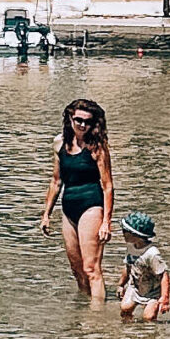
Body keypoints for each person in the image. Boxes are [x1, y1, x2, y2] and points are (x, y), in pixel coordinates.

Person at [33, 98, 114, 300]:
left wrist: (106, 222)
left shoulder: (98, 147)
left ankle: (96, 320)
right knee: (77, 269)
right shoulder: (60, 143)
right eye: (78, 120)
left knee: (91, 268)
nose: (82, 125)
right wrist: (46, 215)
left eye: (87, 121)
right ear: (70, 118)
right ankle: (83, 310)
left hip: (91, 205)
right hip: (68, 206)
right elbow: (56, 181)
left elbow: (107, 185)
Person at [115, 212, 170, 322]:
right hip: (135, 287)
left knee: (148, 317)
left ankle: (148, 335)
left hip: (153, 291)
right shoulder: (131, 247)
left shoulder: (152, 254)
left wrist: (165, 298)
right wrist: (121, 285)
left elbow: (164, 275)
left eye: (126, 232)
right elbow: (127, 266)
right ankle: (130, 331)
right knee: (125, 309)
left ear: (137, 235)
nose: (123, 234)